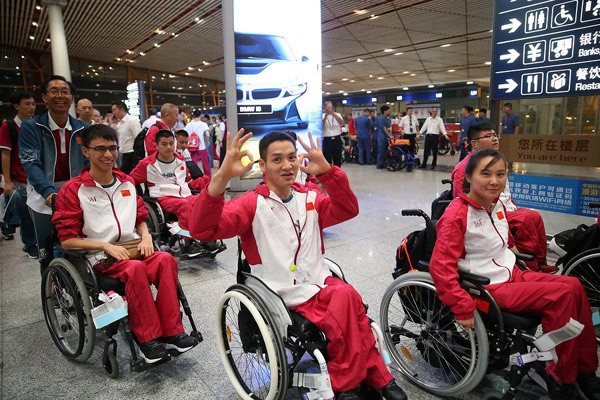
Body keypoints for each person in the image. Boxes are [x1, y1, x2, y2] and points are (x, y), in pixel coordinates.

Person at [189, 130, 407, 400]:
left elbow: (348, 208)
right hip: (280, 288)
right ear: (263, 166)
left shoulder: (310, 197)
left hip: (317, 279)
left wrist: (328, 172)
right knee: (346, 299)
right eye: (277, 159)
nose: (287, 165)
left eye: (291, 157)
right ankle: (364, 380)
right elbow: (201, 228)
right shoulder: (250, 205)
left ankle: (362, 380)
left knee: (348, 302)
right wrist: (222, 176)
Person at [430, 149, 600, 400]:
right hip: (488, 286)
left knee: (574, 285)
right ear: (468, 176)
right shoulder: (457, 215)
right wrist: (461, 306)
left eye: (500, 174)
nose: (494, 181)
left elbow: (505, 238)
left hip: (512, 273)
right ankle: (560, 376)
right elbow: (440, 266)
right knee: (561, 294)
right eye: (485, 174)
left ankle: (584, 370)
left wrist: (523, 260)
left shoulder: (496, 205)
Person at [52, 124, 199, 363]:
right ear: (86, 152)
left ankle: (173, 331)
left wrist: (147, 235)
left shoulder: (126, 182)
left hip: (133, 249)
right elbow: (67, 241)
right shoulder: (74, 190)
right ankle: (148, 340)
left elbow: (141, 216)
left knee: (165, 259)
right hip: (99, 259)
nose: (108, 155)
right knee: (136, 269)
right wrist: (105, 246)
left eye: (112, 148)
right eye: (100, 149)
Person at [451, 122, 553, 272]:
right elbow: (461, 200)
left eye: (495, 135)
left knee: (534, 216)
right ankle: (529, 267)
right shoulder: (465, 167)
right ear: (475, 143)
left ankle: (540, 262)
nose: (495, 139)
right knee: (525, 220)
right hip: (487, 214)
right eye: (488, 136)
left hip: (504, 208)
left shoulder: (495, 162)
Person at [19, 75, 88, 263]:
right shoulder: (31, 127)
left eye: (65, 92)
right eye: (54, 91)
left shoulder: (83, 128)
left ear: (72, 97)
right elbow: (30, 163)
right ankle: (50, 285)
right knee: (47, 250)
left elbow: (89, 163)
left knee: (81, 245)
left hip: (76, 193)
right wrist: (48, 193)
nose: (60, 96)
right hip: (43, 196)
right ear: (44, 97)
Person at [131, 130, 213, 258]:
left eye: (171, 143)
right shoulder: (147, 164)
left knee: (202, 202)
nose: (168, 147)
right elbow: (131, 180)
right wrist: (138, 197)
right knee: (185, 205)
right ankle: (188, 242)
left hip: (183, 193)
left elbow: (186, 179)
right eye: (164, 144)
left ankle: (206, 238)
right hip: (162, 197)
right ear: (157, 146)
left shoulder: (180, 159)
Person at [0, 91, 38, 257]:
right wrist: (8, 181)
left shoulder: (36, 125)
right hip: (20, 178)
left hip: (37, 177)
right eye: (27, 104)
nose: (31, 107)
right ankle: (30, 245)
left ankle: (40, 242)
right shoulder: (8, 127)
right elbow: (5, 154)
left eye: (33, 104)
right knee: (26, 214)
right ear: (17, 106)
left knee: (39, 213)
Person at [112, 101, 141, 174]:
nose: (113, 113)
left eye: (114, 110)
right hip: (123, 154)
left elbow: (139, 138)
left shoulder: (132, 121)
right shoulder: (120, 123)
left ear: (121, 109)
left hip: (132, 155)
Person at [184, 110, 211, 177]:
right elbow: (207, 134)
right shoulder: (203, 124)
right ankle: (208, 178)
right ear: (200, 115)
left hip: (192, 147)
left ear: (193, 115)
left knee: (193, 163)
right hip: (201, 147)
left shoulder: (189, 124)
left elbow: (184, 134)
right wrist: (207, 141)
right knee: (205, 163)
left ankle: (192, 177)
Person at [322, 100, 345, 167]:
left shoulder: (338, 114)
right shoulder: (322, 116)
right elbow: (321, 126)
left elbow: (342, 123)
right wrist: (326, 115)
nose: (328, 108)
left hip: (337, 139)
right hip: (327, 139)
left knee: (337, 158)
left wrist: (333, 114)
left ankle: (338, 174)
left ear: (332, 107)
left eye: (329, 106)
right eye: (326, 106)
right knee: (327, 159)